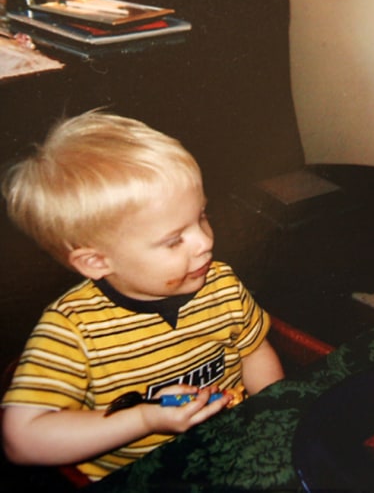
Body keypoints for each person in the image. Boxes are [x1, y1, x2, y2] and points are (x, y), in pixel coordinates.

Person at [1, 111, 285, 481]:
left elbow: (253, 350)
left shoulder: (221, 284)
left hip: (235, 449)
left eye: (201, 217)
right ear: (95, 261)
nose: (205, 242)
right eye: (173, 240)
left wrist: (277, 411)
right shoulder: (73, 330)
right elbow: (21, 439)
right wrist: (144, 418)